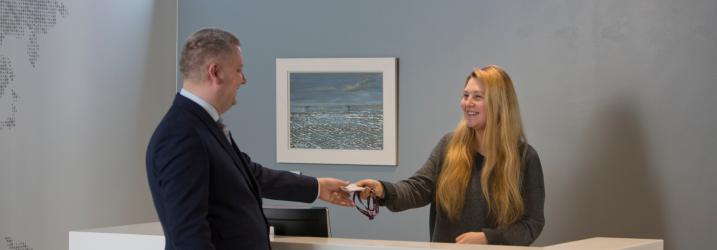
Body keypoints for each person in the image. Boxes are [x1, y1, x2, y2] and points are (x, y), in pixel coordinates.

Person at [146, 28, 354, 250]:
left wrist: (316, 187)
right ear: (215, 72)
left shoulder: (202, 126)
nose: (243, 79)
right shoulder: (182, 135)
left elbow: (250, 174)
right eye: (239, 70)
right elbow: (188, 237)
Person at [356, 65, 545, 246]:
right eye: (465, 95)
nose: (467, 103)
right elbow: (418, 189)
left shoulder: (525, 158)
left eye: (477, 97)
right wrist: (382, 189)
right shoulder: (449, 146)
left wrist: (488, 238)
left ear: (499, 104)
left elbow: (532, 224)